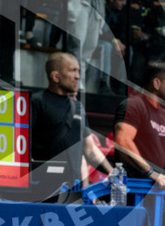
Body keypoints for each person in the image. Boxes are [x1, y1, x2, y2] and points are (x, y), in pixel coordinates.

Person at [30, 52, 113, 182]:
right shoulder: (37, 102)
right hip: (43, 184)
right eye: (72, 71)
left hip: (74, 186)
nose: (78, 76)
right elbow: (22, 142)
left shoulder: (78, 106)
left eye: (78, 71)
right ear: (55, 76)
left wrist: (112, 172)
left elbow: (90, 149)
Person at [113, 61, 165, 185]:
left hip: (156, 190)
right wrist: (150, 172)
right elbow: (122, 141)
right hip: (132, 189)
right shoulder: (133, 106)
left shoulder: (164, 116)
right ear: (156, 83)